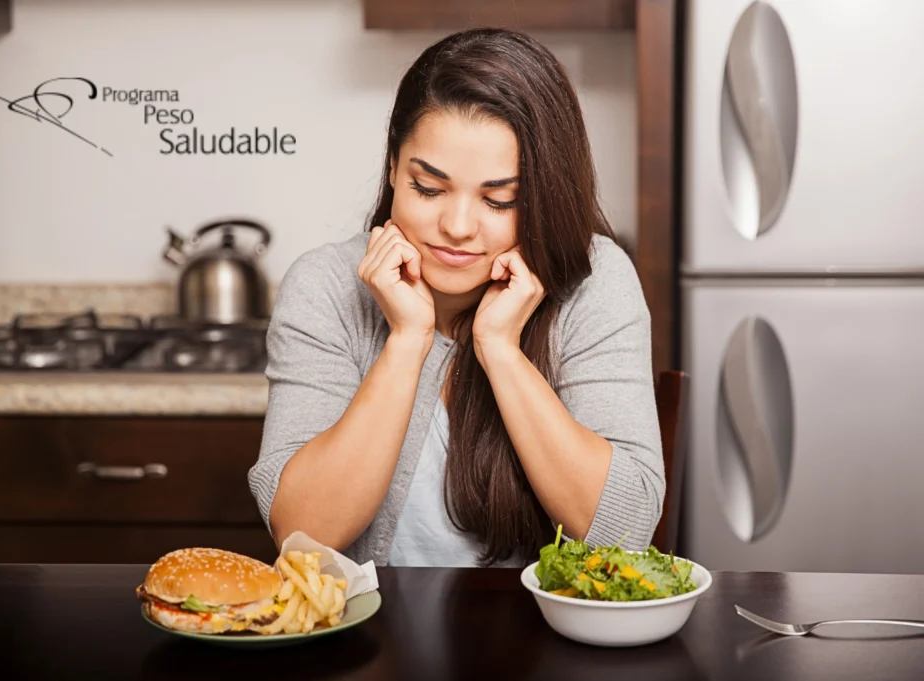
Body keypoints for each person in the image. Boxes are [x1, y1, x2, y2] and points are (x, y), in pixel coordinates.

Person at [248, 28, 664, 568]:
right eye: (428, 188)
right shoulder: (325, 285)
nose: (458, 226)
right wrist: (407, 339)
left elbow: (625, 532)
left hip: (540, 623)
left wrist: (500, 349)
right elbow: (304, 533)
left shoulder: (595, 280)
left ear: (544, 194)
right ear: (393, 166)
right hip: (373, 624)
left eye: (500, 200)